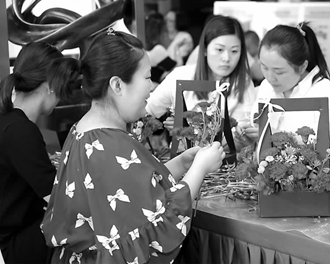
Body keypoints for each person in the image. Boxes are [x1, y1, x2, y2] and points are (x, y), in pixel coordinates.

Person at [41, 29, 225, 263]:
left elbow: (134, 189)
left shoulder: (86, 130)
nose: (151, 87)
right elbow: (159, 226)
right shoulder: (109, 144)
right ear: (117, 85)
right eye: (147, 78)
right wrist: (199, 169)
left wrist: (181, 164)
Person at [0, 43, 79, 264]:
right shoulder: (21, 131)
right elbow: (59, 199)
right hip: (11, 245)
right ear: (52, 85)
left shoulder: (10, 121)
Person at [146, 15, 256, 142]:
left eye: (234, 51)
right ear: (204, 49)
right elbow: (147, 111)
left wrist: (190, 129)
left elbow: (242, 138)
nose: (226, 58)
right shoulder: (180, 76)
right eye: (219, 49)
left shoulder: (244, 83)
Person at [235, 22, 330, 145]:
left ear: (302, 67)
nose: (270, 78)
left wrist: (277, 136)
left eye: (279, 72)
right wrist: (247, 135)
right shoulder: (266, 86)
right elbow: (257, 130)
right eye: (264, 67)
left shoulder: (324, 91)